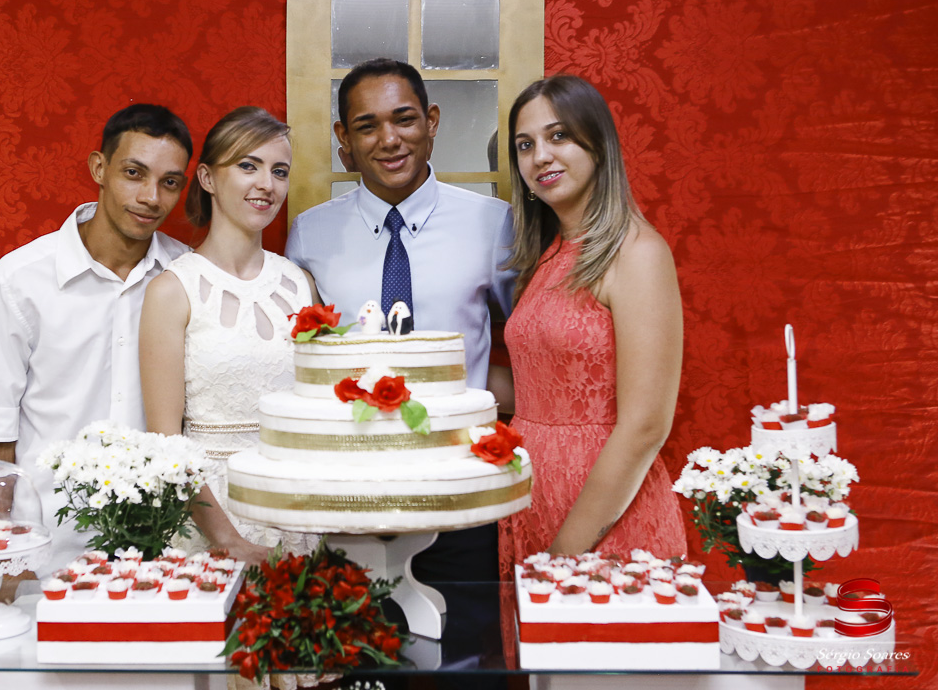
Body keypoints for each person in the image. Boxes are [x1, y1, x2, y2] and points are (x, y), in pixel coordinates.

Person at [285, 58, 514, 661]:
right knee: (353, 665)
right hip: (347, 502)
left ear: (431, 122)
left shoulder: (493, 225)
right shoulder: (310, 234)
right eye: (366, 125)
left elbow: (532, 340)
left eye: (404, 119)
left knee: (466, 662)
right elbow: (302, 360)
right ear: (344, 141)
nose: (389, 139)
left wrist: (484, 399)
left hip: (461, 497)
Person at [0, 103, 193, 570]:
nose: (151, 197)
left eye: (169, 182)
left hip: (160, 543)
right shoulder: (20, 279)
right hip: (47, 543)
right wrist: (1, 550)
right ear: (99, 168)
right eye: (134, 172)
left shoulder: (187, 276)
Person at [499, 74, 688, 572]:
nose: (540, 156)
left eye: (558, 136)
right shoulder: (548, 256)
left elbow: (647, 425)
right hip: (531, 507)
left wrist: (564, 556)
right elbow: (543, 387)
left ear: (599, 146)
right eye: (525, 144)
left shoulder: (638, 253)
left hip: (603, 523)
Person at [141, 107, 317, 566]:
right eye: (247, 165)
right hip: (212, 518)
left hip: (300, 508)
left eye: (279, 171)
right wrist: (226, 539)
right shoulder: (170, 291)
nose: (267, 184)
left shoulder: (301, 283)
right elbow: (166, 444)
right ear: (207, 178)